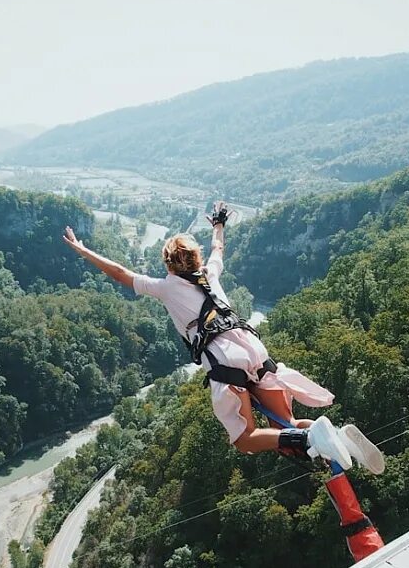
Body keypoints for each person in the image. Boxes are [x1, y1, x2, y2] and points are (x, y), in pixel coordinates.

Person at [62, 202, 384, 477]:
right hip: (254, 348)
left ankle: (305, 440)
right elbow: (218, 248)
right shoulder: (209, 273)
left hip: (226, 362)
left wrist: (81, 249)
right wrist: (218, 225)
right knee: (285, 422)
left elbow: (119, 272)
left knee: (246, 439)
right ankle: (338, 437)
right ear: (195, 260)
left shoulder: (166, 287)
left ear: (169, 265)